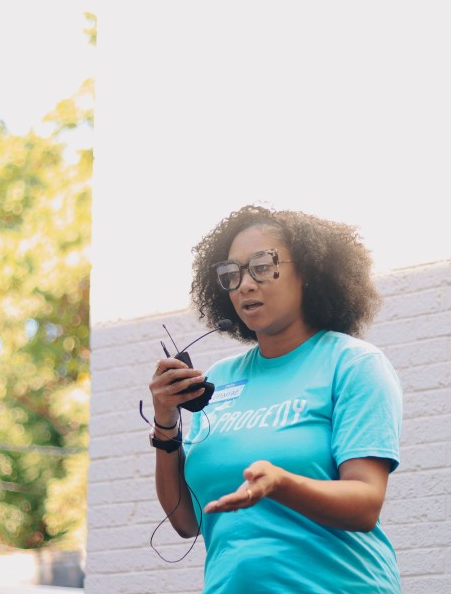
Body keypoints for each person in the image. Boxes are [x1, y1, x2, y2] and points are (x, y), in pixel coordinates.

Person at [147, 204, 403, 593]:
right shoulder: (219, 380)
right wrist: (166, 421)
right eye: (231, 274)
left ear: (308, 273)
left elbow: (365, 504)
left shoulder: (352, 364)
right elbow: (186, 522)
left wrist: (282, 483)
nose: (245, 284)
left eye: (262, 266)